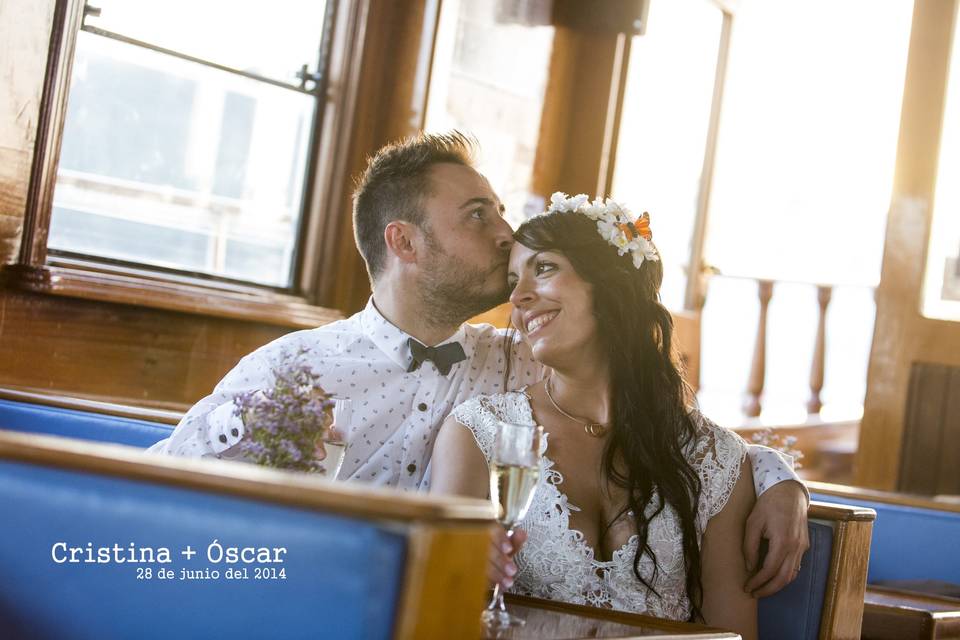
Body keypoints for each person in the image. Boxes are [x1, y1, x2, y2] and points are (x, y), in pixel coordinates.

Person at [147, 132, 808, 598]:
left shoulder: (523, 361)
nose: (505, 231)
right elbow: (160, 501)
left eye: (498, 210)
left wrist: (780, 482)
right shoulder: (295, 372)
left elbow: (665, 420)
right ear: (404, 241)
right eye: (477, 215)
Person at [431, 194, 762, 636]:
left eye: (543, 268)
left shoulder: (716, 458)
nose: (519, 296)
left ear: (610, 284)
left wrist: (784, 483)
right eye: (513, 279)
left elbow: (730, 635)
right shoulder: (481, 432)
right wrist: (465, 575)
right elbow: (441, 612)